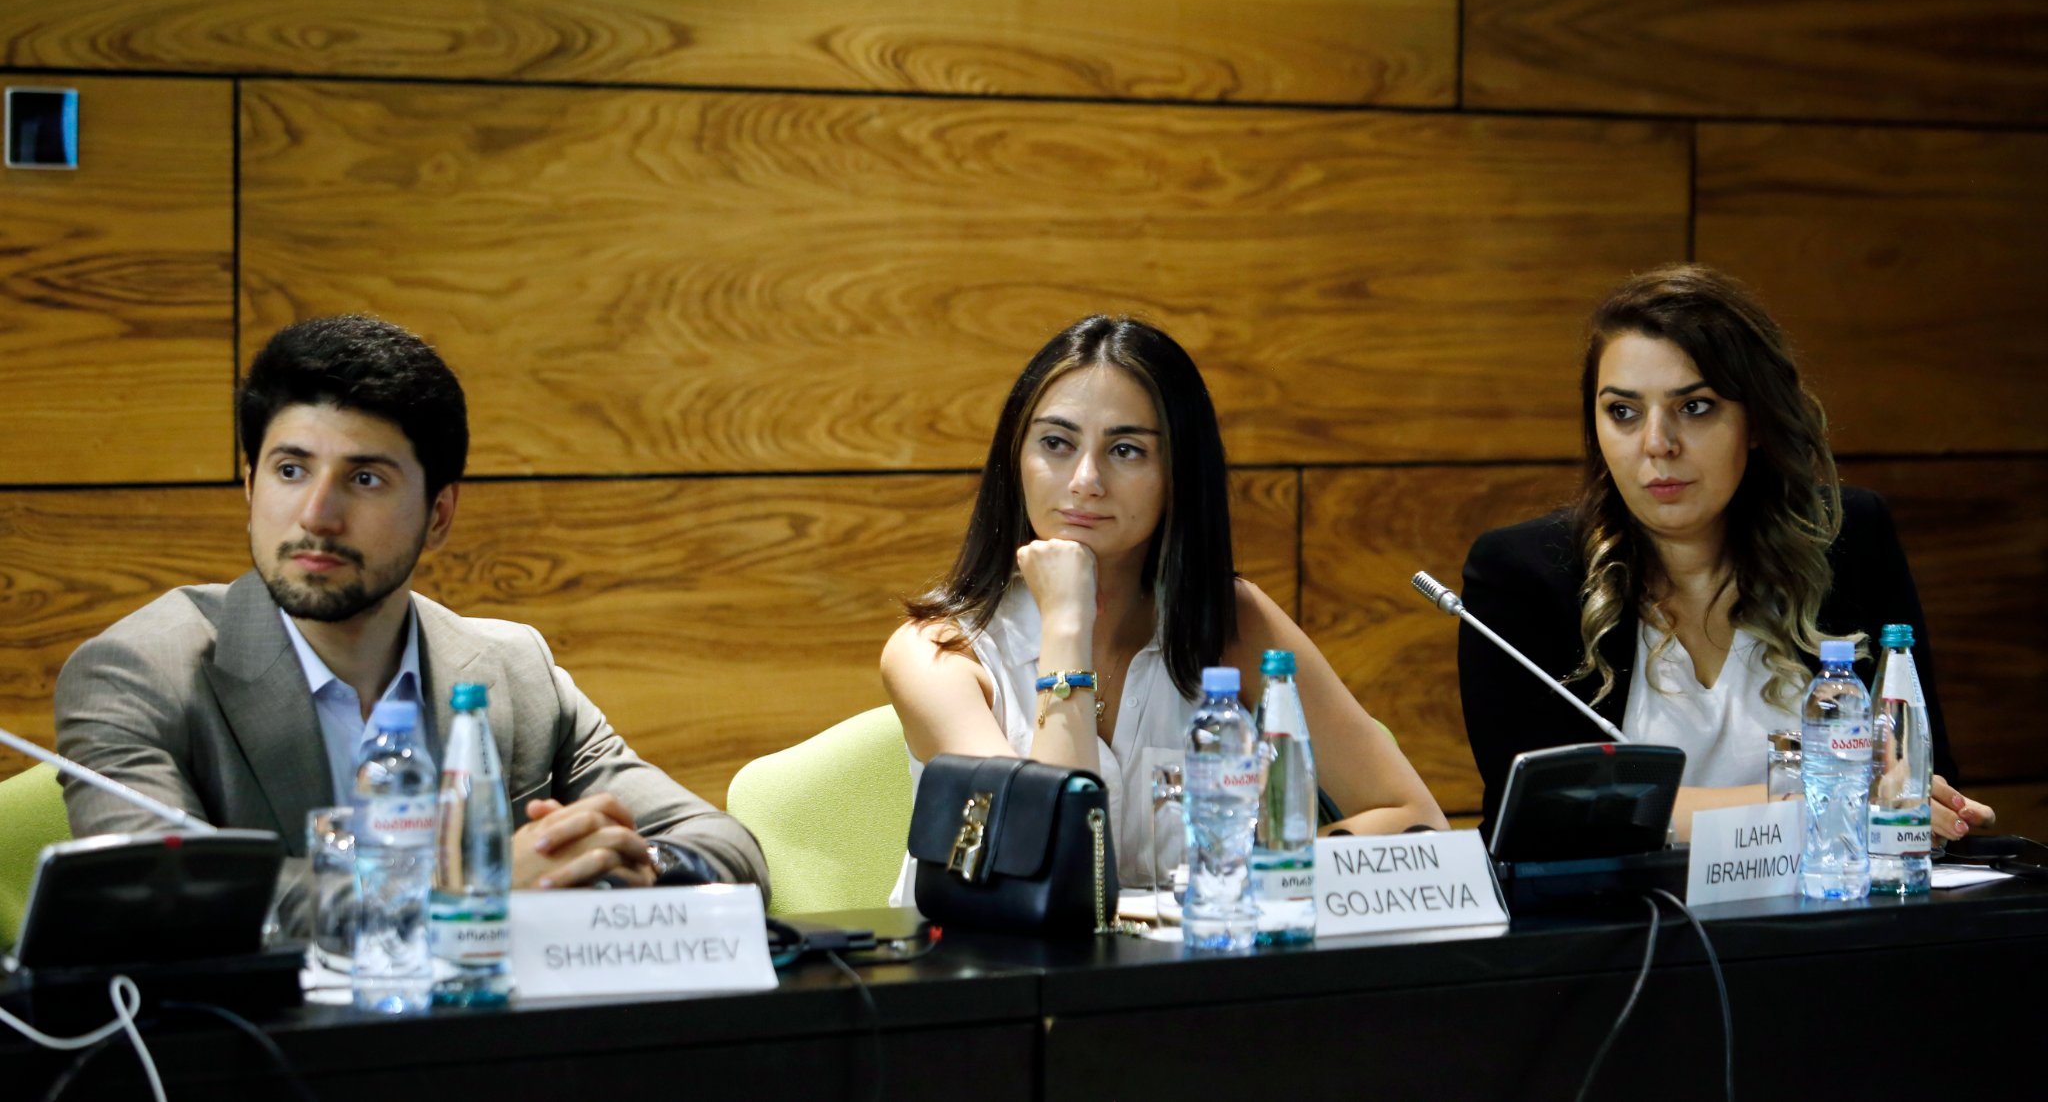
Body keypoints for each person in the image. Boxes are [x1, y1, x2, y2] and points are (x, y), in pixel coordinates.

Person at [54, 315, 768, 928]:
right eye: (290, 470)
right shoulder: (139, 673)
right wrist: (474, 889)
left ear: (439, 514)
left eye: (365, 478)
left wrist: (626, 864)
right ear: (249, 487)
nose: (316, 515)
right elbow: (159, 899)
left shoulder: (515, 670)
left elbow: (724, 848)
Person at [883, 315, 1445, 892]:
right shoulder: (936, 653)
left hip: (1192, 949)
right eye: (1056, 443)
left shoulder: (1231, 621)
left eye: (1126, 450)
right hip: (997, 953)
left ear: (1178, 473)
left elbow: (1414, 820)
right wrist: (1067, 622)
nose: (1085, 480)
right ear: (1015, 459)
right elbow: (1058, 872)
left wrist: (1243, 877)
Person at [1458, 264, 1995, 842]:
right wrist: (1815, 794)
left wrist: (1928, 804)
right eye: (1623, 412)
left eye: (1695, 407)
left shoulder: (1846, 537)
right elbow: (1547, 808)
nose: (1657, 444)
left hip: (1823, 894)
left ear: (1756, 420)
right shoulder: (1524, 574)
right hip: (1619, 901)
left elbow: (1913, 769)